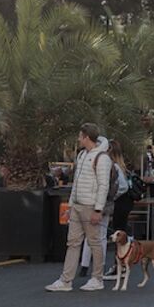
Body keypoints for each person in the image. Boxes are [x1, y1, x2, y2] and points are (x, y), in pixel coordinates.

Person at [46, 123, 113, 292]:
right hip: (77, 204)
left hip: (90, 205)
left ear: (86, 137)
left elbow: (103, 185)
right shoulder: (83, 155)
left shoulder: (102, 158)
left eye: (80, 136)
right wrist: (71, 204)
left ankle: (97, 278)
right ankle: (66, 280)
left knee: (94, 242)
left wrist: (98, 209)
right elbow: (76, 182)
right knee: (73, 242)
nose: (78, 139)